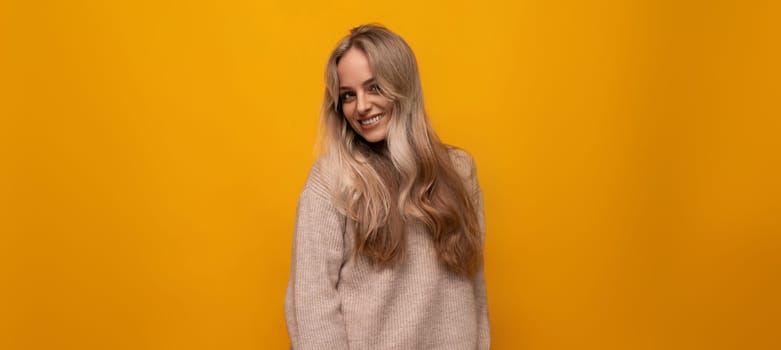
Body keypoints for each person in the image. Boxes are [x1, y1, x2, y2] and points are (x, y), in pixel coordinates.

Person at [284, 24, 490, 350]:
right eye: (348, 95)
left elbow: (474, 289)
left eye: (374, 87)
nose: (361, 106)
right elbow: (310, 303)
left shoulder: (460, 171)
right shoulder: (332, 181)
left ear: (403, 86)